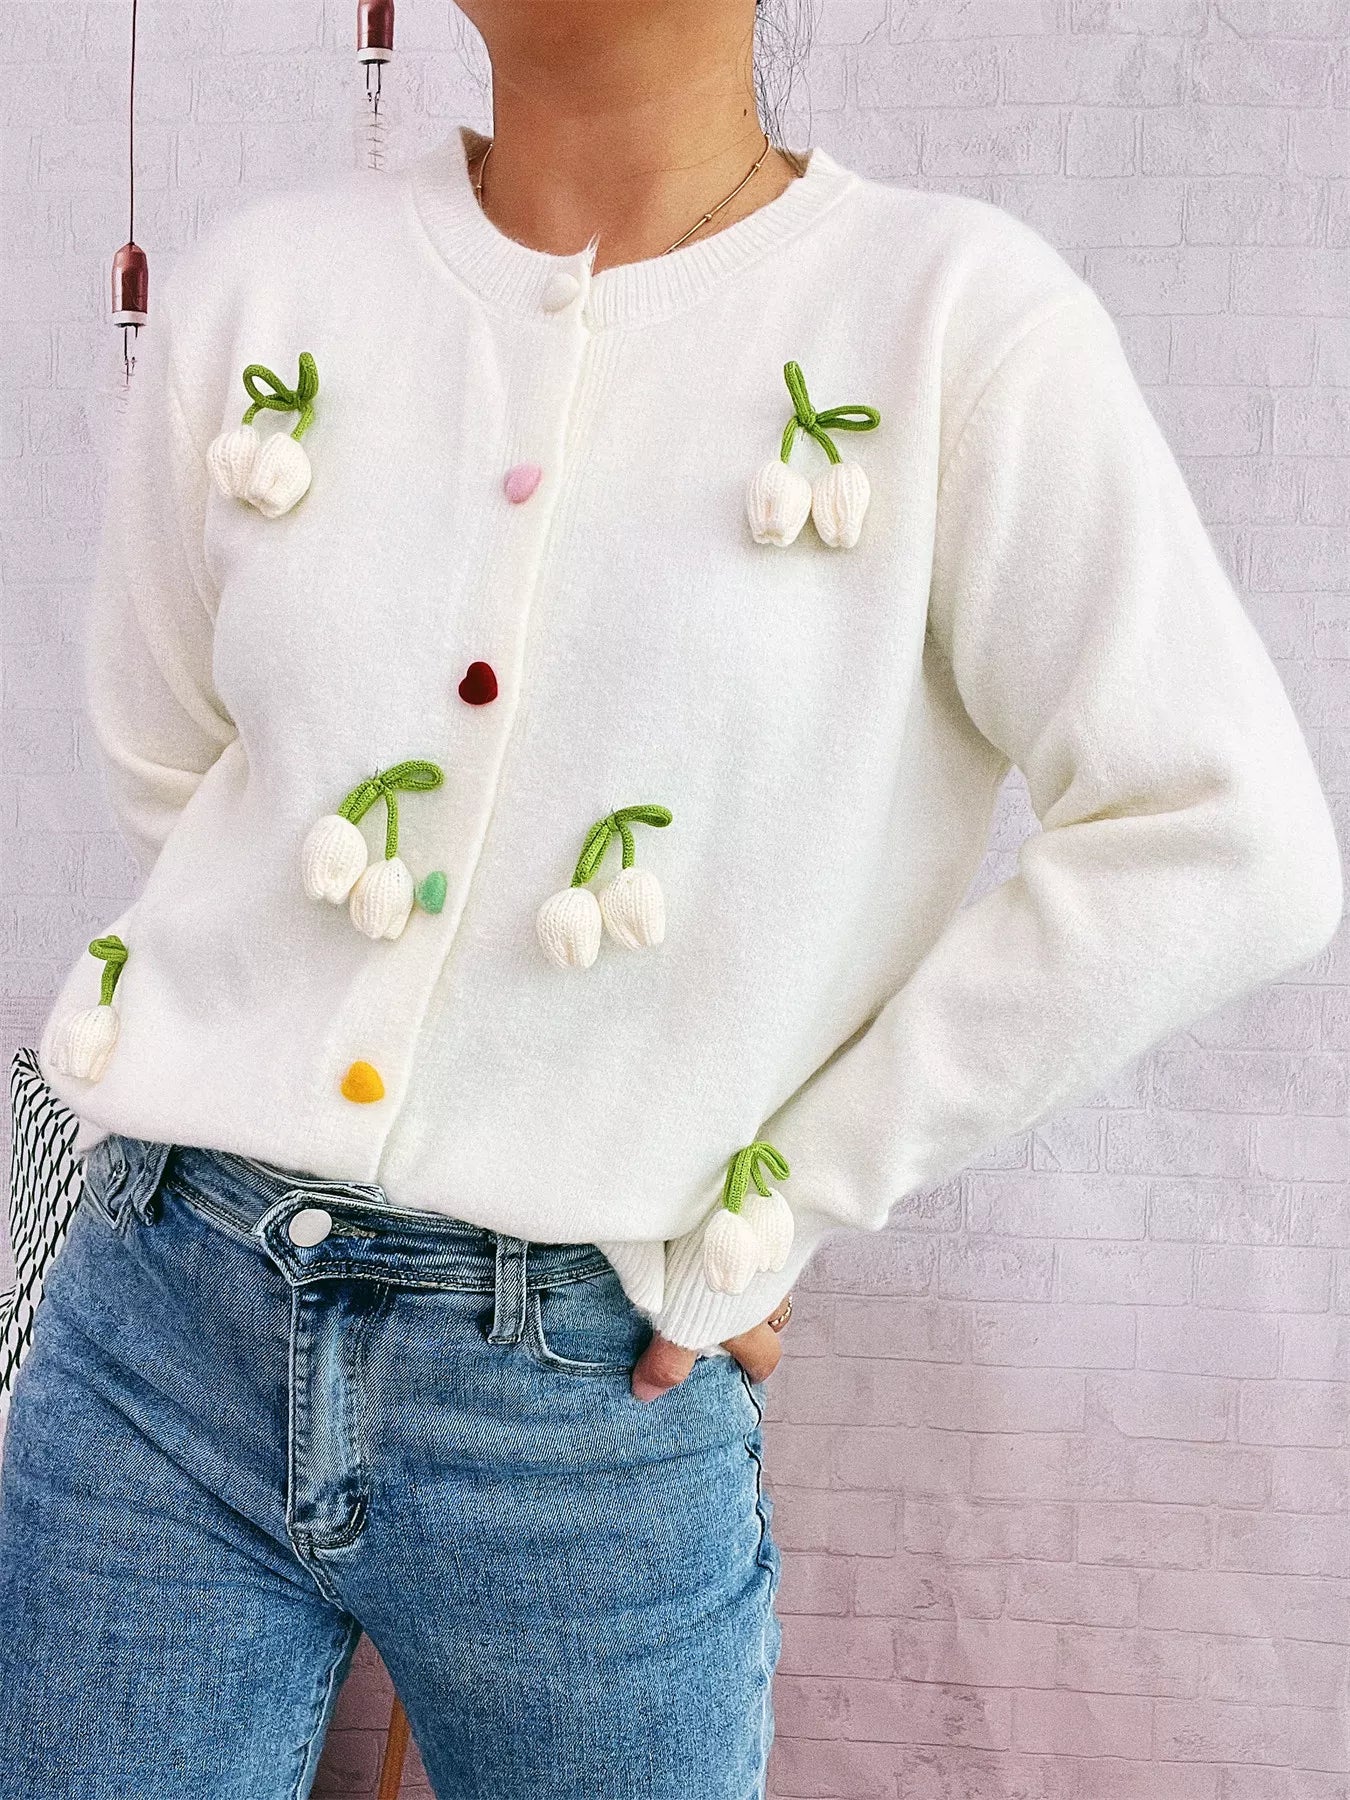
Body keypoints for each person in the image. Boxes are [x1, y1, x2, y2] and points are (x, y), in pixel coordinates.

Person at [0, 1, 1342, 1796]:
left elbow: (1220, 836)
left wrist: (779, 1194)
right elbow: (183, 777)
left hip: (582, 1394)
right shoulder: (263, 289)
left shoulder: (952, 323)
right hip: (159, 1329)